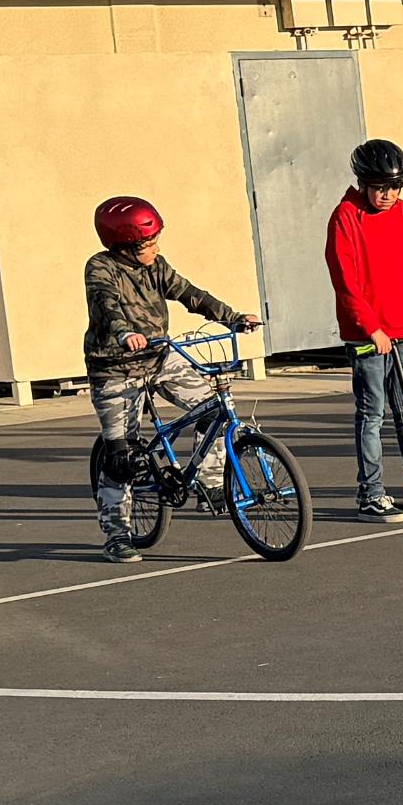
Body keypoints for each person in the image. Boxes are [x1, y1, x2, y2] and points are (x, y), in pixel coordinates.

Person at [82, 194, 259, 559]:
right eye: (149, 243)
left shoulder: (157, 266)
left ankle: (210, 483)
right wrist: (124, 333)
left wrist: (232, 317)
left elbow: (189, 293)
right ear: (125, 246)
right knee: (122, 458)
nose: (156, 248)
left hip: (160, 356)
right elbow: (106, 303)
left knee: (213, 409)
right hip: (115, 367)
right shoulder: (101, 267)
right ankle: (117, 535)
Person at [326, 138, 403, 518]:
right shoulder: (345, 216)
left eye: (395, 187)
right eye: (380, 187)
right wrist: (371, 328)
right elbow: (345, 281)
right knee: (372, 414)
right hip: (368, 337)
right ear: (363, 183)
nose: (388, 195)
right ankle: (371, 494)